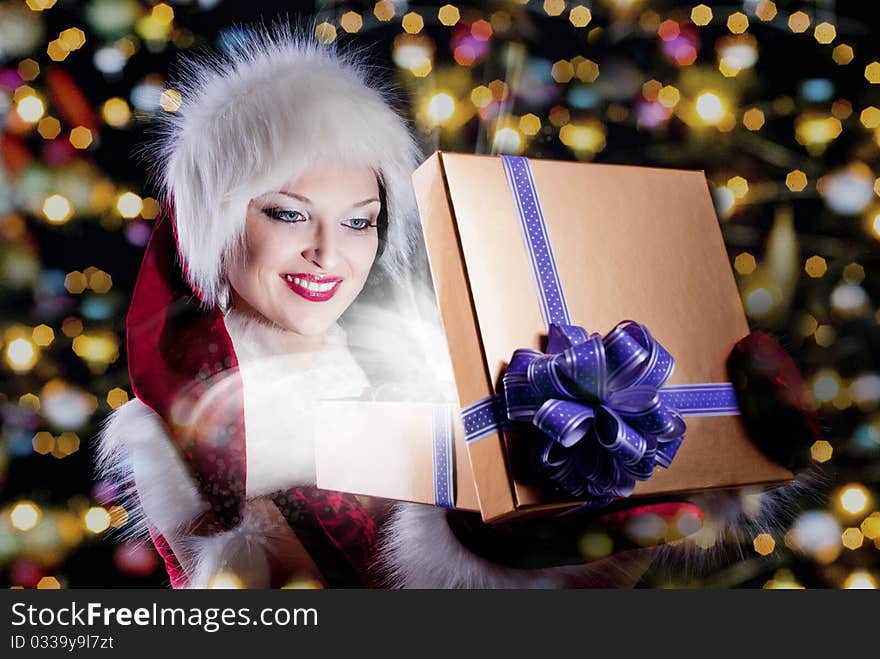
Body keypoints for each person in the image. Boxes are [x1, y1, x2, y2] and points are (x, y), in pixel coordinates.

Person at [96, 26, 820, 589]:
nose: (329, 252)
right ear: (217, 224)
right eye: (289, 214)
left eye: (358, 220)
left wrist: (673, 471)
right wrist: (487, 540)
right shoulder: (198, 438)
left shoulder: (393, 382)